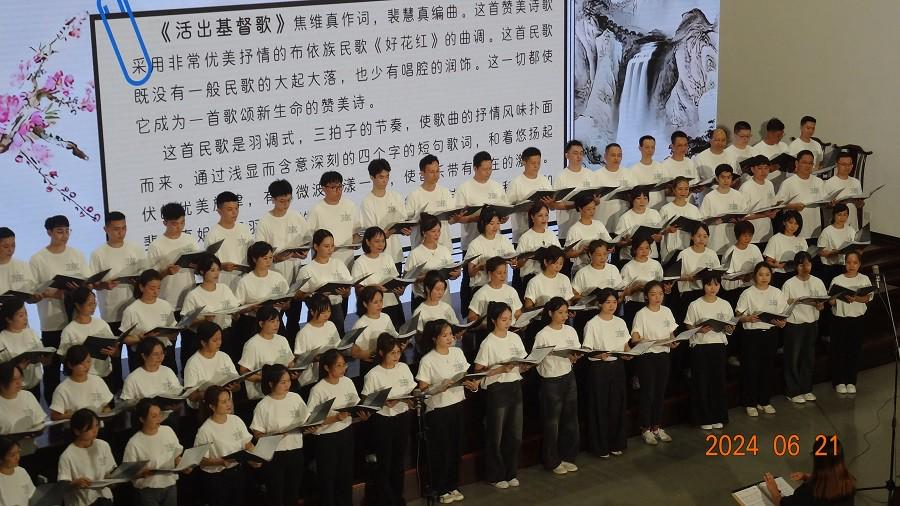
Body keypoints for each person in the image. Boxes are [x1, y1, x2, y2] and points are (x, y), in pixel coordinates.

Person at [416, 319, 479, 504]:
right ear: (434, 338)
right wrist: (439, 387)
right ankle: (441, 488)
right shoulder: (428, 360)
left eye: (451, 334)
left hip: (457, 405)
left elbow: (466, 376)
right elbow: (422, 390)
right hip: (439, 410)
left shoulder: (458, 352)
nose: (450, 338)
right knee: (441, 450)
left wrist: (473, 385)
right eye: (445, 335)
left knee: (456, 448)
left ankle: (453, 485)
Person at [29, 214, 88, 403]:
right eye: (60, 232)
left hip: (76, 319)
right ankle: (54, 406)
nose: (64, 235)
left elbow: (86, 282)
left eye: (67, 231)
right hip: (51, 321)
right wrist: (54, 293)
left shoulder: (77, 254)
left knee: (78, 365)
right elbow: (34, 290)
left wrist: (77, 289)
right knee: (52, 367)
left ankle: (78, 403)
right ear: (49, 232)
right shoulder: (38, 259)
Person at [474, 302, 528, 489]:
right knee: (496, 435)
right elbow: (479, 371)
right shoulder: (488, 342)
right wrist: (500, 369)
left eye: (509, 319)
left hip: (514, 385)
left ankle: (511, 472)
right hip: (497, 389)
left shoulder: (515, 337)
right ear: (494, 320)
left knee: (515, 434)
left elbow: (523, 362)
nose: (508, 323)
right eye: (504, 319)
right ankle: (495, 475)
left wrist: (525, 365)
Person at [90, 211, 144, 393]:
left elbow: (144, 275)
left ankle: (137, 389)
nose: (121, 233)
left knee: (136, 353)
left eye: (123, 228)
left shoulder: (136, 249)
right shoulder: (98, 253)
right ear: (106, 229)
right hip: (110, 312)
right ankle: (116, 391)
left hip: (133, 309)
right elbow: (92, 283)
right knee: (114, 355)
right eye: (116, 229)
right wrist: (103, 285)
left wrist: (138, 281)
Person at [362, 333, 416, 506]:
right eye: (392, 353)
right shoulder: (373, 374)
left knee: (399, 462)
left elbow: (412, 391)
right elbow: (366, 401)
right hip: (383, 420)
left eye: (398, 352)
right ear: (381, 353)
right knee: (384, 463)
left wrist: (410, 399)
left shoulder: (403, 368)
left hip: (402, 417)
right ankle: (385, 500)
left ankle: (398, 498)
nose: (396, 356)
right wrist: (383, 402)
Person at [308, 349, 365, 506]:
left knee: (345, 476)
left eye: (344, 365)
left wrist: (362, 414)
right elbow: (312, 421)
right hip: (327, 439)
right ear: (327, 367)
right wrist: (335, 418)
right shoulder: (318, 389)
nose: (343, 368)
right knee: (328, 479)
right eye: (338, 365)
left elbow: (355, 405)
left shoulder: (347, 382)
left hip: (346, 434)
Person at [256, 178, 310, 338]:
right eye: (281, 201)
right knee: (275, 323)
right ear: (272, 199)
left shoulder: (296, 217)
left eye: (288, 200)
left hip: (294, 276)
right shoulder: (265, 222)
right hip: (273, 278)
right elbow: (259, 253)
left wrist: (304, 251)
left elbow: (307, 240)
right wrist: (276, 258)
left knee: (294, 320)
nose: (286, 204)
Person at [250, 364, 310, 506]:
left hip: (295, 451)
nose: (287, 385)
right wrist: (276, 435)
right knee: (275, 495)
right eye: (283, 382)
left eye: (288, 381)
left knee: (293, 494)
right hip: (274, 456)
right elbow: (257, 434)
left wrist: (309, 428)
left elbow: (306, 421)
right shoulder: (263, 405)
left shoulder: (295, 398)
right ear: (271, 384)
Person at [533, 297, 580, 475]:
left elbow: (576, 351)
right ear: (550, 313)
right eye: (560, 312)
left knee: (570, 420)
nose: (564, 316)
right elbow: (536, 360)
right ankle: (552, 461)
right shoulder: (543, 334)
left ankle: (568, 456)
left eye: (566, 312)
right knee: (552, 423)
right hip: (551, 380)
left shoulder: (570, 330)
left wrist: (574, 357)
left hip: (568, 377)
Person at [582, 288, 631, 458]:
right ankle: (600, 446)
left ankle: (616, 443)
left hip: (617, 367)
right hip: (599, 369)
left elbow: (625, 345)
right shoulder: (592, 324)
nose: (612, 306)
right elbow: (587, 350)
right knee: (600, 407)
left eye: (615, 302)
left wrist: (629, 353)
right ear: (600, 304)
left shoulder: (620, 322)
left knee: (617, 405)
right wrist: (600, 355)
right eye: (608, 302)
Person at [736, 262, 788, 416]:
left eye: (767, 274)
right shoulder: (747, 293)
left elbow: (783, 314)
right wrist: (748, 318)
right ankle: (750, 403)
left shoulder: (776, 292)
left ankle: (764, 401)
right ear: (754, 276)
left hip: (770, 334)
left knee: (767, 368)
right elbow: (738, 315)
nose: (764, 277)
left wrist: (782, 322)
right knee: (751, 368)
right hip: (752, 335)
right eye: (760, 274)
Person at [631, 281, 679, 445]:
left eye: (660, 293)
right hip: (647, 357)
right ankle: (645, 428)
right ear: (646, 296)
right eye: (653, 294)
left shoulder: (667, 311)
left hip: (663, 355)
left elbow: (672, 333)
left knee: (660, 392)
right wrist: (652, 341)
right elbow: (635, 338)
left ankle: (657, 426)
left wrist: (673, 341)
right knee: (648, 393)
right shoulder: (641, 314)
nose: (657, 297)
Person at [684, 272, 733, 430]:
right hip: (701, 346)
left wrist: (729, 328)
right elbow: (688, 325)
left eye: (716, 284)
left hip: (718, 345)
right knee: (702, 382)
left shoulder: (725, 304)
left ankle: (718, 416)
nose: (713, 288)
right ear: (703, 285)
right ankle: (703, 418)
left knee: (718, 382)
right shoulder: (695, 304)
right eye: (709, 284)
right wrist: (699, 330)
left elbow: (731, 327)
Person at [194, 386, 255, 506]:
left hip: (237, 472)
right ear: (212, 406)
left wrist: (256, 458)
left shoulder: (235, 420)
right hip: (218, 478)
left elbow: (247, 444)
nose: (228, 404)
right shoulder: (205, 430)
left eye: (229, 400)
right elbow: (200, 460)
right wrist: (220, 461)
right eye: (223, 402)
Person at [782, 251, 827, 403]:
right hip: (795, 324)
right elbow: (783, 306)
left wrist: (820, 305)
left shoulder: (817, 282)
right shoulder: (789, 284)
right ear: (796, 266)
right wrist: (793, 301)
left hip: (812, 323)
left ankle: (806, 388)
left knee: (808, 357)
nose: (805, 268)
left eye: (807, 264)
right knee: (793, 358)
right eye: (801, 265)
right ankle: (792, 391)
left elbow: (822, 304)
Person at [233, 241, 290, 357]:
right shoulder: (245, 281)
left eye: (271, 257)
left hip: (275, 322)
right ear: (254, 259)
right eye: (265, 258)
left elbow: (288, 301)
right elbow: (237, 309)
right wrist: (251, 308)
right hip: (254, 324)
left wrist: (284, 305)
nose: (269, 261)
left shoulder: (277, 277)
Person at [181, 254, 241, 364]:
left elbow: (235, 310)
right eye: (212, 270)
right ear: (202, 271)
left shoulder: (224, 288)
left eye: (218, 270)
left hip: (225, 335)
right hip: (205, 340)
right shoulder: (194, 295)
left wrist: (236, 314)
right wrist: (204, 320)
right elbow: (185, 323)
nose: (216, 273)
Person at [123, 398, 184, 506]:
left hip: (170, 485)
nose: (159, 419)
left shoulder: (168, 431)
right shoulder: (134, 443)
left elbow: (176, 455)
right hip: (148, 490)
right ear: (142, 419)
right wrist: (141, 473)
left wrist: (183, 464)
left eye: (159, 414)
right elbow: (128, 473)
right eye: (154, 416)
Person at [763, 436, 855, 505]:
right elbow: (830, 478)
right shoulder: (848, 483)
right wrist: (807, 476)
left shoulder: (809, 492)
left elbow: (781, 504)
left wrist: (773, 489)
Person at [829, 250, 872, 394]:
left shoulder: (864, 279)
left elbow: (867, 298)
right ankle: (839, 381)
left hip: (857, 319)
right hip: (840, 319)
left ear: (859, 264)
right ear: (844, 263)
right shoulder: (837, 279)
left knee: (854, 350)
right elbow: (831, 301)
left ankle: (851, 381)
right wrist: (833, 299)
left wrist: (856, 298)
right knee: (839, 350)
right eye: (848, 262)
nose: (851, 265)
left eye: (855, 262)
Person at [121, 269, 179, 373]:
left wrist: (174, 333)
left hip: (164, 354)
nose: (156, 292)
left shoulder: (165, 305)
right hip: (144, 357)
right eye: (152, 288)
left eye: (158, 288)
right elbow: (124, 339)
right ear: (141, 287)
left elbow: (173, 328)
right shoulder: (131, 310)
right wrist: (141, 338)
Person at [147, 202, 200, 314]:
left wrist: (198, 266)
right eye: (175, 224)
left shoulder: (190, 240)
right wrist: (167, 272)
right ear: (165, 223)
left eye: (182, 222)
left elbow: (198, 269)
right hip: (167, 303)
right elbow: (150, 279)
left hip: (190, 299)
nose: (179, 227)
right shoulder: (156, 246)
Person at [58, 409, 118, 506]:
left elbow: (110, 471)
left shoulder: (103, 445)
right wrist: (75, 483)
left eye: (97, 425)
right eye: (90, 428)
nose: (95, 430)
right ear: (77, 431)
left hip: (104, 499)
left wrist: (113, 480)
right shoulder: (67, 455)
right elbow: (62, 487)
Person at [361, 159, 412, 271]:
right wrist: (388, 232)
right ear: (372, 177)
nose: (385, 180)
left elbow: (404, 220)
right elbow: (371, 232)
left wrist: (406, 230)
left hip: (395, 254)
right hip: (377, 257)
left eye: (387, 176)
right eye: (381, 177)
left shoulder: (396, 196)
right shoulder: (367, 202)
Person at [297, 229, 352, 332]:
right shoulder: (307, 269)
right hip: (317, 311)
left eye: (332, 246)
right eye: (326, 246)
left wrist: (345, 292)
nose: (330, 249)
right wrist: (314, 294)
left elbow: (348, 291)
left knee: (337, 337)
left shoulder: (338, 264)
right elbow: (298, 296)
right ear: (316, 246)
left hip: (336, 310)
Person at [237, 304, 294, 402]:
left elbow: (290, 362)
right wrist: (265, 379)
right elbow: (244, 372)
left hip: (283, 390)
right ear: (261, 324)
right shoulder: (252, 344)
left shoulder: (282, 340)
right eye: (272, 321)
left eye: (278, 321)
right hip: (261, 395)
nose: (276, 324)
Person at [59, 287, 116, 383]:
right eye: (89, 304)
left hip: (105, 373)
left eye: (94, 303)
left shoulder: (102, 324)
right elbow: (63, 357)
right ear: (78, 305)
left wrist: (113, 352)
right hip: (84, 377)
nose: (93, 307)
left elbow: (115, 350)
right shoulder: (69, 330)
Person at [351, 226, 406, 328]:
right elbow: (359, 291)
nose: (381, 244)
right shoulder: (360, 262)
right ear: (367, 242)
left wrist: (400, 290)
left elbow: (395, 280)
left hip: (392, 304)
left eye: (383, 241)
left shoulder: (387, 258)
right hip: (373, 309)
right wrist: (375, 288)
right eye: (377, 241)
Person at [307, 171, 362, 269]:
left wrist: (358, 242)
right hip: (324, 263)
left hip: (347, 259)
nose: (338, 190)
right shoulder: (316, 210)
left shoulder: (350, 206)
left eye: (340, 187)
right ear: (323, 189)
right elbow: (309, 238)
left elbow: (357, 232)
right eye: (333, 187)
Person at [183, 320, 240, 414]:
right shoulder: (193, 363)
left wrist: (235, 387)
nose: (219, 343)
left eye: (220, 339)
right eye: (214, 340)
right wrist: (212, 394)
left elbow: (237, 385)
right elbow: (191, 396)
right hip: (206, 410)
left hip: (227, 408)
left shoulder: (224, 356)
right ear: (203, 342)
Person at [464, 206, 516, 307]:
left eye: (498, 223)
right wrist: (479, 266)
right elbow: (471, 273)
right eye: (491, 224)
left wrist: (513, 263)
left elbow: (514, 263)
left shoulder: (503, 240)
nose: (495, 227)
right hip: (481, 287)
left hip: (501, 286)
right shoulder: (475, 244)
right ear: (483, 223)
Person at [405, 213, 458, 309]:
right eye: (433, 231)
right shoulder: (415, 253)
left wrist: (455, 274)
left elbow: (451, 273)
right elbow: (407, 279)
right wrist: (427, 277)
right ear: (424, 233)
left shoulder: (444, 249)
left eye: (439, 231)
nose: (437, 234)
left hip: (444, 299)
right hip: (424, 300)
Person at [406, 154, 457, 250]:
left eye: (437, 171)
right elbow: (408, 224)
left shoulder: (445, 192)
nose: (435, 175)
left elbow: (451, 220)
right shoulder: (414, 195)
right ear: (422, 173)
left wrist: (457, 218)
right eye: (431, 172)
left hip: (444, 247)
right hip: (421, 249)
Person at [205, 191, 253, 291]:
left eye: (236, 208)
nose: (234, 212)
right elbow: (207, 264)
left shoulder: (244, 229)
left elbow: (252, 255)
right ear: (219, 211)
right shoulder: (213, 234)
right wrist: (221, 266)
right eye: (229, 209)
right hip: (223, 285)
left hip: (245, 282)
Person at [50, 345, 113, 420]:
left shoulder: (97, 380)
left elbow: (105, 406)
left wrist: (107, 412)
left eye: (88, 361)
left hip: (97, 425)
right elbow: (55, 416)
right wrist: (73, 416)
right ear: (70, 365)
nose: (86, 366)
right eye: (81, 363)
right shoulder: (62, 389)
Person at [504, 147, 554, 238]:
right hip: (521, 233)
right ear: (524, 162)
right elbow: (507, 209)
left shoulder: (544, 181)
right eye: (533, 163)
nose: (536, 166)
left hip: (542, 233)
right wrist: (522, 206)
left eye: (538, 163)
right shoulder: (516, 183)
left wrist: (550, 204)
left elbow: (552, 207)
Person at [293, 294, 340, 391]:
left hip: (330, 373)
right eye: (323, 312)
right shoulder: (304, 333)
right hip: (311, 380)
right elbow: (299, 359)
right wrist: (314, 358)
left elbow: (338, 345)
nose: (327, 315)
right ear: (312, 312)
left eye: (329, 311)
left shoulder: (331, 325)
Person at [675, 224, 721, 322]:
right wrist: (689, 278)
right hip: (689, 293)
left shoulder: (712, 254)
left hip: (709, 293)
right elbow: (675, 276)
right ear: (692, 237)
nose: (701, 239)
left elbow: (717, 274)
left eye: (705, 236)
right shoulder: (684, 254)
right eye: (698, 236)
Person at [699, 164, 749, 254]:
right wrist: (714, 221)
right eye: (723, 177)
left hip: (734, 240)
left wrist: (739, 221)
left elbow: (744, 215)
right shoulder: (709, 197)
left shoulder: (738, 195)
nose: (726, 180)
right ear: (717, 178)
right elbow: (702, 221)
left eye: (729, 177)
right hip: (715, 242)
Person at [0, 298, 44, 399]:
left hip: (35, 385)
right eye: (21, 315)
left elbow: (42, 353)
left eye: (26, 314)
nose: (25, 318)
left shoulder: (31, 332)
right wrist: (18, 368)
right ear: (9, 319)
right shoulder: (2, 339)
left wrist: (44, 359)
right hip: (14, 389)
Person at [350, 287, 397, 378]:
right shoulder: (360, 324)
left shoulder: (385, 317)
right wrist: (373, 353)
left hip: (387, 361)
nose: (380, 305)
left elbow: (394, 335)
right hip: (370, 365)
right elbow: (354, 353)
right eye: (375, 302)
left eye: (381, 301)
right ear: (365, 304)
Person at [515, 201, 561, 295]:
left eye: (546, 215)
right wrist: (529, 256)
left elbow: (559, 254)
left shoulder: (551, 235)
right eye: (540, 215)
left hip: (551, 276)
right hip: (532, 278)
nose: (544, 219)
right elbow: (517, 264)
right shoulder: (525, 237)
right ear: (532, 217)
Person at [777, 150, 825, 239]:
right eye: (804, 163)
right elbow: (778, 204)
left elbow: (824, 202)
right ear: (797, 163)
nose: (808, 166)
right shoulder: (788, 183)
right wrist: (793, 206)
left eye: (810, 163)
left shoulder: (819, 182)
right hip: (794, 232)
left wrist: (830, 203)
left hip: (815, 230)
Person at [553, 140, 596, 239]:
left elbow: (596, 201)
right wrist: (577, 205)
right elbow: (555, 204)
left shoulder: (590, 174)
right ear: (567, 155)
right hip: (566, 229)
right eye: (575, 153)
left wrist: (596, 201)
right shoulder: (561, 176)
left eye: (581, 153)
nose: (579, 156)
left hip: (588, 229)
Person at [619, 237, 665, 327]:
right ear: (634, 250)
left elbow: (660, 283)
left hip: (653, 303)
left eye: (647, 248)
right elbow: (622, 292)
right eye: (641, 248)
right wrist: (634, 288)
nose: (644, 251)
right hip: (634, 304)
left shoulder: (655, 264)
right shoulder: (628, 267)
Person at [565, 193, 614, 275]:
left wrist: (610, 248)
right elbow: (567, 254)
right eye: (588, 209)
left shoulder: (599, 224)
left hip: (601, 266)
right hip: (582, 268)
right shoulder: (574, 229)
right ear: (580, 209)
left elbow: (610, 242)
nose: (592, 211)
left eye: (594, 208)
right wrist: (580, 251)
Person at [121, 338, 183, 402]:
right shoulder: (132, 378)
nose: (160, 357)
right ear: (144, 356)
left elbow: (178, 391)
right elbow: (127, 403)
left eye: (162, 353)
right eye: (155, 354)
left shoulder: (167, 371)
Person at [592, 143, 637, 232]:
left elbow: (637, 195)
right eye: (613, 155)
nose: (616, 158)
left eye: (619, 155)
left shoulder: (629, 174)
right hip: (601, 224)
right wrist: (594, 202)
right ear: (605, 156)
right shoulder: (595, 175)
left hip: (623, 224)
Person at [469, 257, 523, 324]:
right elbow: (471, 318)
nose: (503, 276)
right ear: (490, 273)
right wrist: (485, 324)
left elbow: (518, 313)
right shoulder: (481, 293)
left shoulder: (511, 291)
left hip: (512, 328)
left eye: (504, 272)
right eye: (499, 273)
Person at [659, 176, 702, 261]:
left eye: (686, 189)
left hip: (688, 251)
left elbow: (699, 230)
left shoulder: (694, 209)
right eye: (680, 189)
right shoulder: (665, 209)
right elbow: (658, 232)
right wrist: (667, 230)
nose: (683, 192)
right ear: (674, 190)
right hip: (669, 252)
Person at [739, 155, 779, 243]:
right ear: (753, 169)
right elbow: (742, 216)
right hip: (751, 235)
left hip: (767, 233)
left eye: (766, 168)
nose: (763, 171)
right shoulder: (746, 187)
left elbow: (772, 204)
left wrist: (774, 211)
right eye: (760, 168)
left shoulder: (769, 184)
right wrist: (764, 215)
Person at [615, 189, 664, 261]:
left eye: (645, 198)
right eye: (638, 198)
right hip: (630, 258)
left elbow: (659, 236)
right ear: (632, 200)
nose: (642, 201)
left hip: (650, 256)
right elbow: (618, 243)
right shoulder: (625, 217)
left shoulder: (654, 213)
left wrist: (658, 238)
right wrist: (627, 243)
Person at [764, 210, 808, 286]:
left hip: (797, 274)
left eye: (796, 224)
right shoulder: (775, 239)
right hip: (780, 275)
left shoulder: (801, 240)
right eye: (790, 222)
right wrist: (778, 265)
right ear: (784, 222)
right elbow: (768, 261)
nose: (793, 226)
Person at [0, 362, 44, 435]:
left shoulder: (28, 395)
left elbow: (40, 422)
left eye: (20, 378)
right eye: (13, 379)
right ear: (2, 383)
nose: (18, 382)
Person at [817, 203, 857, 283]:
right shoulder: (827, 231)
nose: (842, 217)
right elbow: (820, 252)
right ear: (833, 215)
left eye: (845, 215)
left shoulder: (851, 230)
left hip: (846, 265)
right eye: (839, 215)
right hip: (831, 267)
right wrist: (832, 252)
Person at [823, 152, 864, 228]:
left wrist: (860, 204)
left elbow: (859, 205)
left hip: (853, 223)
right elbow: (824, 206)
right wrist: (831, 205)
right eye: (843, 164)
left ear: (852, 166)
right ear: (837, 165)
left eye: (849, 164)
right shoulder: (829, 183)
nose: (847, 167)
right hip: (836, 225)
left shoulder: (856, 182)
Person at [629, 135, 668, 209]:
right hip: (641, 210)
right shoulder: (633, 170)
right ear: (640, 148)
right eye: (647, 147)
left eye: (652, 147)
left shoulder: (661, 167)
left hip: (660, 209)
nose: (650, 150)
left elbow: (667, 189)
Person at [0, 227, 37, 302]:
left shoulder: (23, 265)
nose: (10, 250)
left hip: (19, 309)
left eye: (13, 245)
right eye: (6, 246)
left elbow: (30, 297)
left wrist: (34, 298)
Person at [0, 437, 36, 506]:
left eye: (18, 452)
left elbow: (32, 496)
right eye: (12, 455)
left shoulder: (21, 471)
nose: (17, 457)